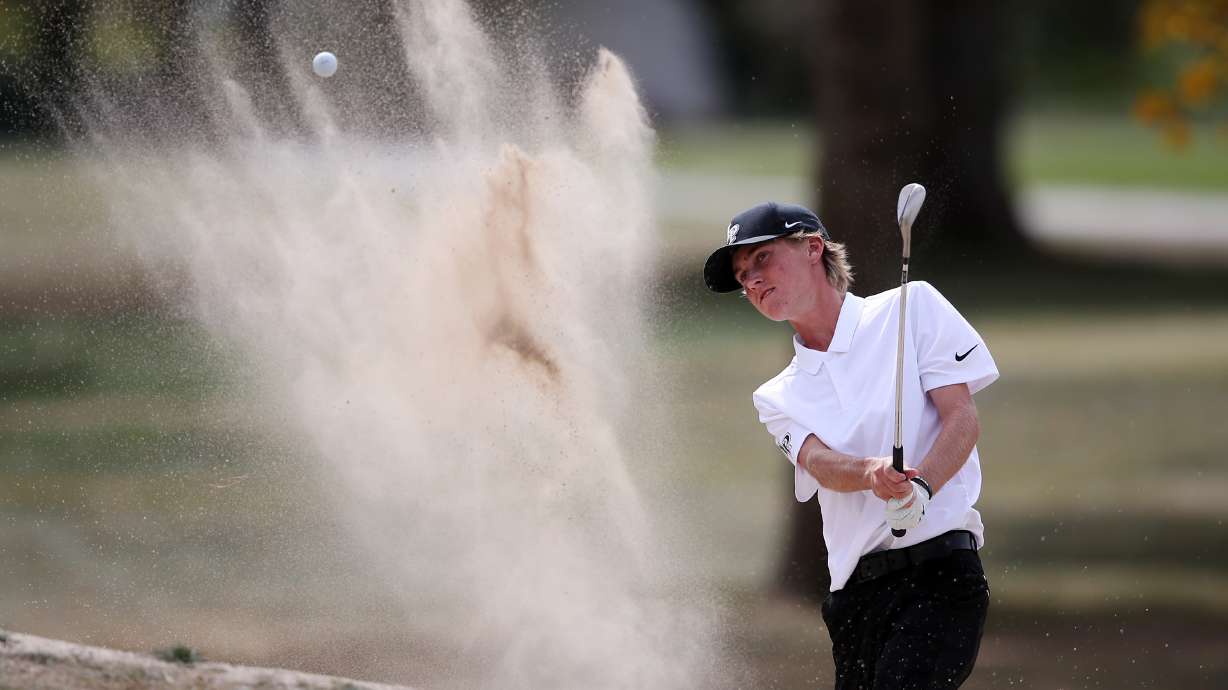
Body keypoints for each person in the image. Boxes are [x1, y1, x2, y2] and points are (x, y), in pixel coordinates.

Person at [703, 201, 998, 690]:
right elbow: (817, 462)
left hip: (940, 575)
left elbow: (962, 419)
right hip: (854, 602)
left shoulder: (912, 308)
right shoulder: (776, 395)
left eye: (762, 259)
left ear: (812, 248)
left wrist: (921, 486)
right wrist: (870, 473)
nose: (751, 279)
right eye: (741, 274)